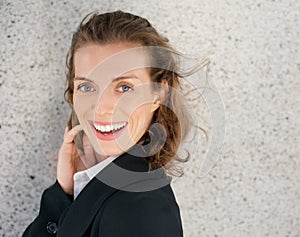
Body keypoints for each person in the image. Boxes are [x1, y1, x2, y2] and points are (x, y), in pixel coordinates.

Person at [22, 10, 192, 237]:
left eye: (124, 88)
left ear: (158, 94)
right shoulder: (101, 186)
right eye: (87, 87)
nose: (101, 109)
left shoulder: (142, 210)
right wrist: (65, 193)